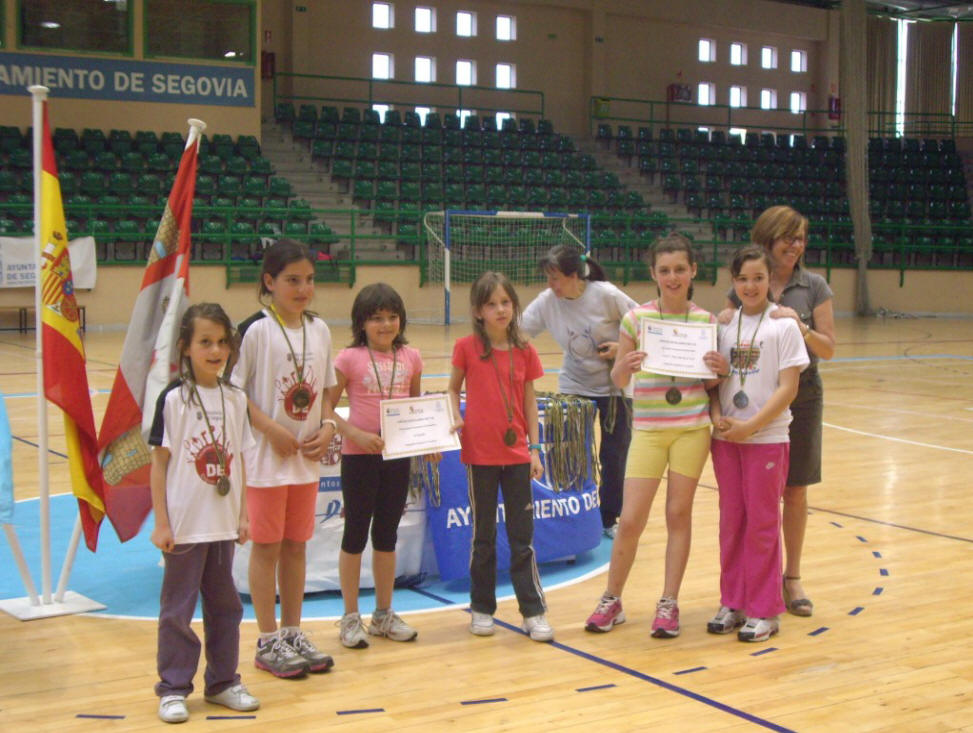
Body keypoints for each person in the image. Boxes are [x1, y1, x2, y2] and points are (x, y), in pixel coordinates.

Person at [584, 234, 728, 639]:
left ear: (693, 271)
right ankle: (612, 599)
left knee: (677, 514)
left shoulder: (707, 322)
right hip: (647, 429)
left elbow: (714, 382)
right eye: (664, 270)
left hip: (691, 429)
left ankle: (668, 603)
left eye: (680, 269)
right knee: (630, 519)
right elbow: (617, 380)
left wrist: (720, 370)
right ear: (653, 274)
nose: (673, 277)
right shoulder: (636, 320)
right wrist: (625, 365)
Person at [231, 239, 339, 678]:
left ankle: (293, 631)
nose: (303, 288)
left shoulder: (321, 329)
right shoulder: (256, 331)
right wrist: (269, 428)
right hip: (265, 460)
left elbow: (330, 393)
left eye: (309, 279)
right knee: (268, 546)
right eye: (292, 280)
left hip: (305, 460)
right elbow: (234, 392)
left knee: (297, 546)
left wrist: (329, 427)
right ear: (269, 281)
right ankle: (267, 638)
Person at [149, 303, 259, 723]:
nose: (215, 350)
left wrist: (244, 514)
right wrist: (161, 522)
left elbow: (242, 460)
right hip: (184, 525)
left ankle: (223, 681)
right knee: (177, 609)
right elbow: (159, 463)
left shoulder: (235, 399)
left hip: (223, 524)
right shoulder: (173, 399)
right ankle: (174, 687)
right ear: (186, 348)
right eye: (205, 342)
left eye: (222, 342)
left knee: (226, 606)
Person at [723, 206, 835, 616]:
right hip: (754, 399)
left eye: (801, 238)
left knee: (796, 488)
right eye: (787, 237)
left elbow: (829, 347)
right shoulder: (745, 285)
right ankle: (752, 584)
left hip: (801, 397)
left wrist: (801, 328)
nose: (795, 245)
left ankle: (793, 577)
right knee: (754, 500)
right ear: (767, 240)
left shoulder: (814, 287)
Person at [707, 245, 809, 643]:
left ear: (770, 281)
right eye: (743, 279)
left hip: (766, 438)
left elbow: (789, 388)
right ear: (733, 282)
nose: (750, 286)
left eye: (758, 278)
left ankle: (765, 609)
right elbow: (713, 382)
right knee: (731, 522)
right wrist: (717, 415)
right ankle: (733, 600)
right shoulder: (724, 325)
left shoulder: (783, 326)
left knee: (763, 524)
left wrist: (752, 427)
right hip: (727, 438)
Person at [447, 271, 554, 642]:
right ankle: (481, 608)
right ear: (478, 311)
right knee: (484, 537)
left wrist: (535, 448)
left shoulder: (526, 350)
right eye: (491, 304)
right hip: (480, 456)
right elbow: (451, 390)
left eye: (505, 302)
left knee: (522, 537)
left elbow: (529, 399)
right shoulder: (465, 347)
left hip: (518, 455)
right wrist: (455, 417)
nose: (500, 309)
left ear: (515, 306)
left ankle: (533, 610)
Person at [329, 283, 423, 648]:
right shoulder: (348, 358)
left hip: (397, 459)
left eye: (392, 317)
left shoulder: (412, 357)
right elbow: (326, 409)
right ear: (362, 323)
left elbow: (417, 409)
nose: (386, 325)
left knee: (387, 535)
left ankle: (383, 614)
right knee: (355, 534)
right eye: (377, 319)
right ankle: (350, 618)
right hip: (358, 459)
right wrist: (355, 433)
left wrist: (428, 442)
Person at [521, 245, 638, 538]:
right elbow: (519, 330)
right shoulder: (548, 301)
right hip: (574, 385)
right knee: (572, 452)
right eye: (548, 278)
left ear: (575, 276)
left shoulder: (606, 295)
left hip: (615, 387)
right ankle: (575, 510)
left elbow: (644, 323)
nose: (551, 285)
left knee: (613, 455)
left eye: (556, 278)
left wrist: (620, 348)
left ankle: (608, 517)